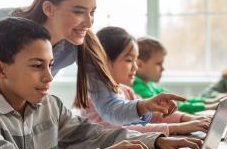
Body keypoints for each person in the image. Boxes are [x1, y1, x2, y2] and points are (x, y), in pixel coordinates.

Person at [0, 17, 202, 149]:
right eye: (37, 66)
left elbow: (94, 136)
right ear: (0, 69)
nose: (49, 77)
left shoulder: (49, 105)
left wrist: (156, 141)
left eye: (50, 65)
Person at [0, 0, 183, 126]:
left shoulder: (81, 43)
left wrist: (145, 105)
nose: (88, 23)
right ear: (48, 8)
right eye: (78, 11)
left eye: (92, 12)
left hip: (24, 97)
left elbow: (108, 107)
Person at [79, 26, 210, 136]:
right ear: (104, 61)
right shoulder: (95, 100)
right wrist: (178, 127)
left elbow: (153, 115)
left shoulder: (126, 91)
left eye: (136, 61)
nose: (136, 67)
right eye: (129, 60)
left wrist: (188, 119)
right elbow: (122, 132)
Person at [132, 37, 220, 114]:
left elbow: (179, 100)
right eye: (159, 64)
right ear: (139, 65)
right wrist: (209, 106)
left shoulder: (151, 85)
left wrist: (208, 101)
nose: (163, 69)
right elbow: (174, 107)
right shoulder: (136, 88)